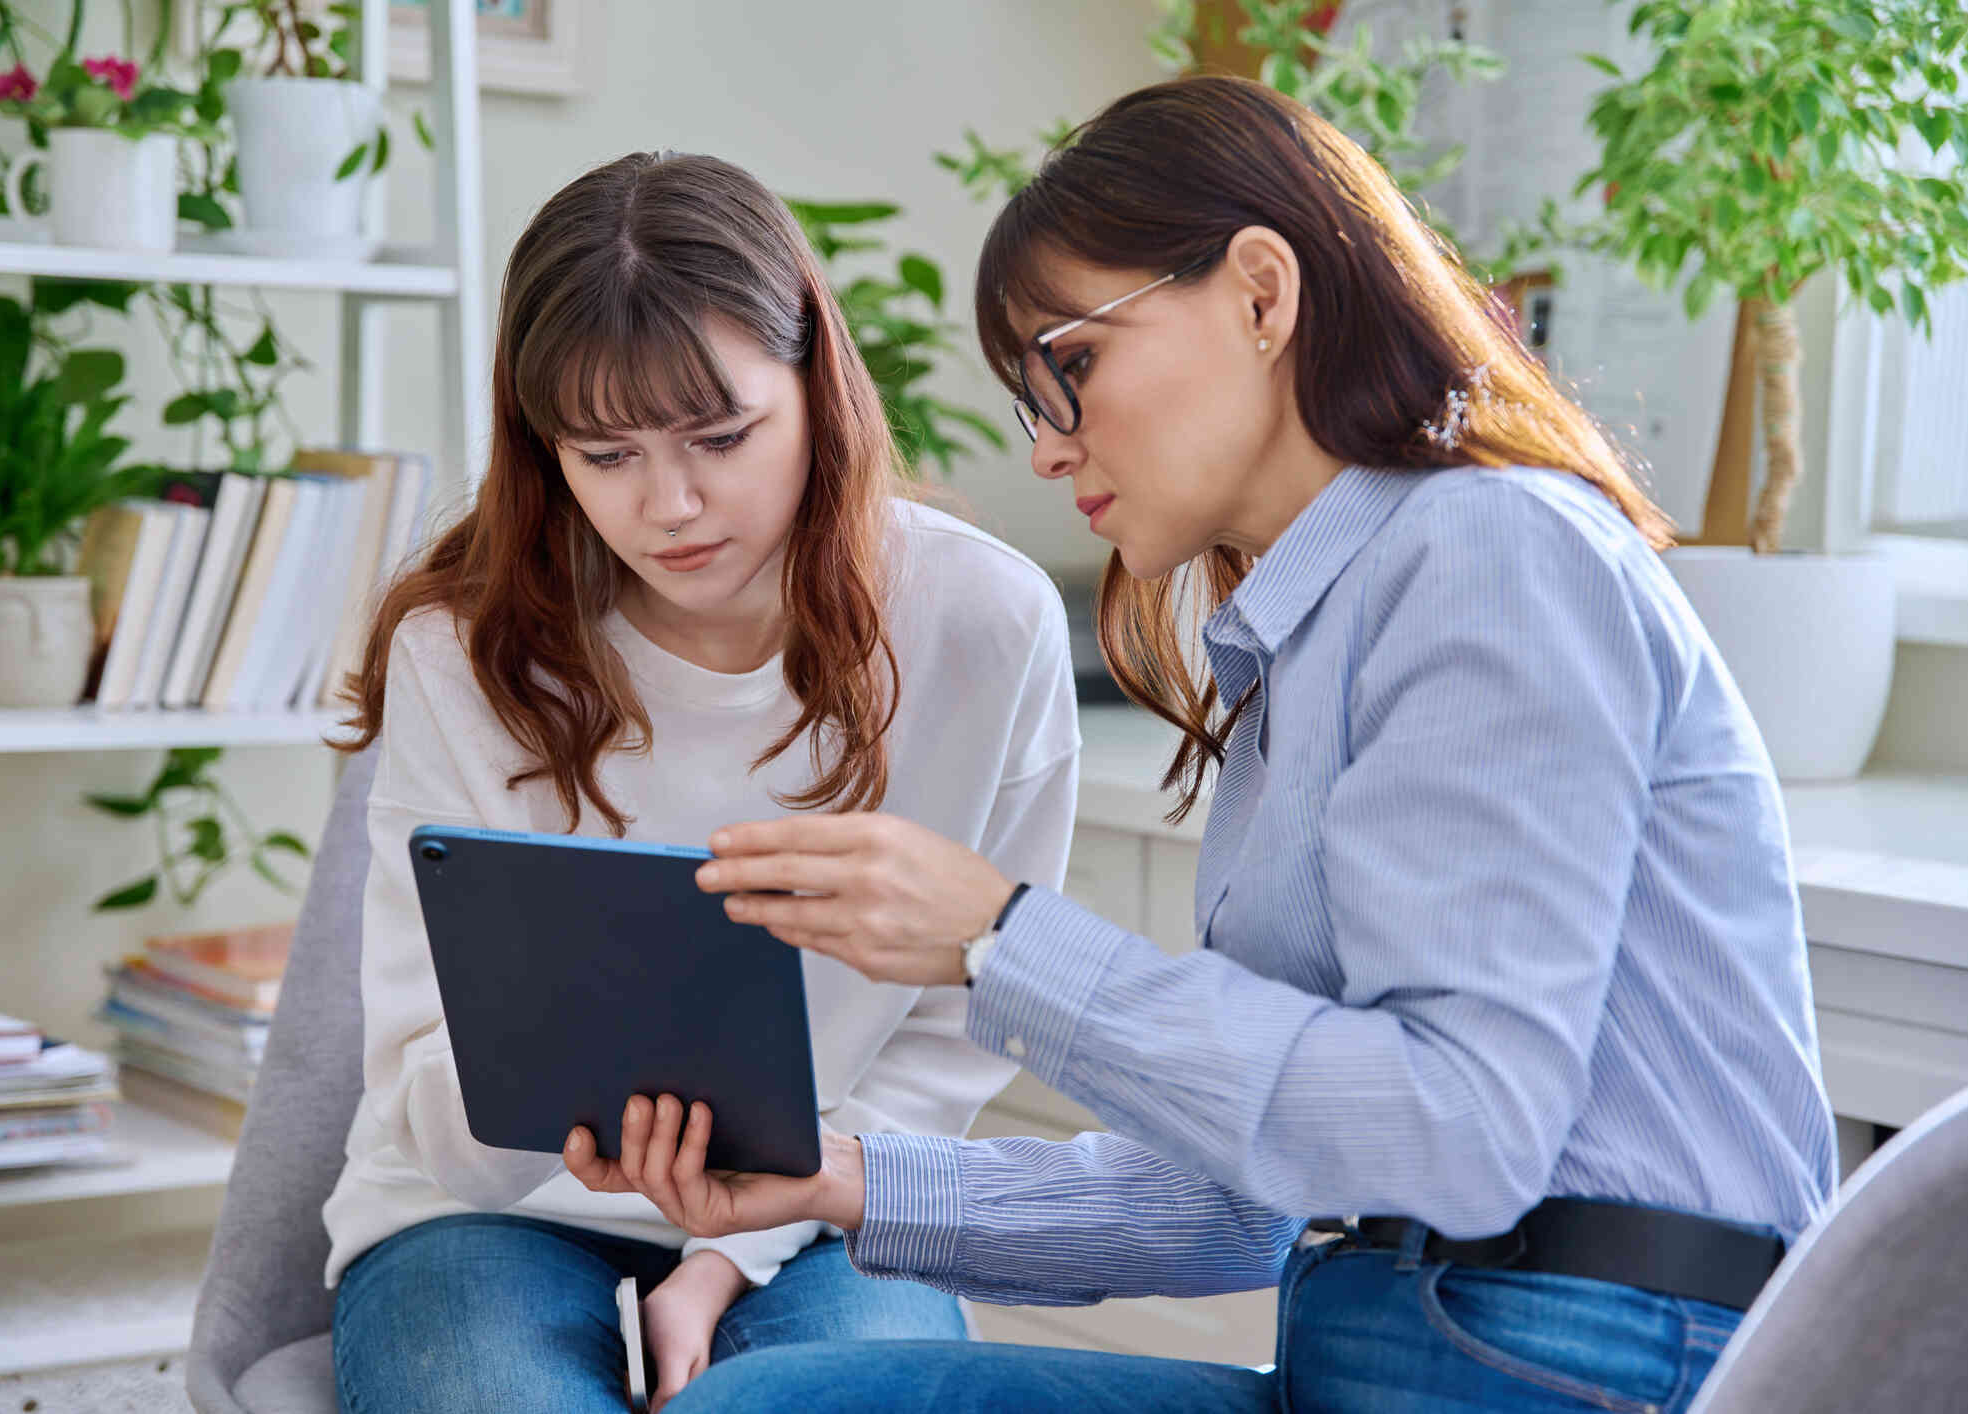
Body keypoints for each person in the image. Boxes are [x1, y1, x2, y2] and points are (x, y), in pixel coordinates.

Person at [568, 76, 1838, 1413]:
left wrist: (1003, 937)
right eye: (1031, 399)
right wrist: (845, 1177)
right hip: (1399, 1337)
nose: (1051, 448)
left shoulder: (1485, 550)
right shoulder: (1305, 643)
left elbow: (1462, 1131)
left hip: (1569, 1356)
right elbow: (1241, 1203)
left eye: (1071, 365)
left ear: (1259, 291)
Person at [322, 150, 1081, 1414]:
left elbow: (966, 1024)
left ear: (815, 385)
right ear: (541, 445)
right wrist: (539, 1069)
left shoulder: (981, 624)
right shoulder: (460, 653)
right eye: (604, 453)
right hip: (482, 1215)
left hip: (836, 1197)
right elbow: (425, 1103)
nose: (669, 505)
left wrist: (730, 1251)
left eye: (722, 437)